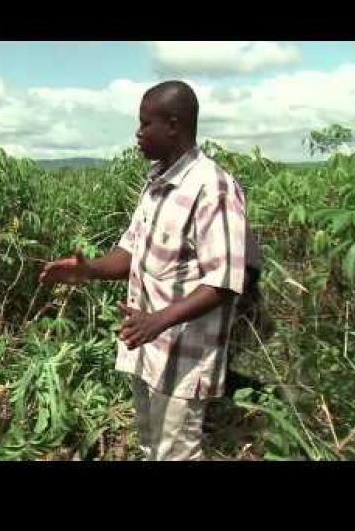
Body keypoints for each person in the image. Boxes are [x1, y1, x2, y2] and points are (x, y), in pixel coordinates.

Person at [39, 81, 248, 461]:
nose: (137, 134)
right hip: (148, 349)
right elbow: (131, 251)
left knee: (176, 454)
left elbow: (225, 281)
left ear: (173, 125)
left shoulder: (212, 187)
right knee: (152, 447)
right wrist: (90, 271)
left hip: (184, 355)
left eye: (144, 124)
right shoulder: (156, 183)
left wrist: (159, 321)